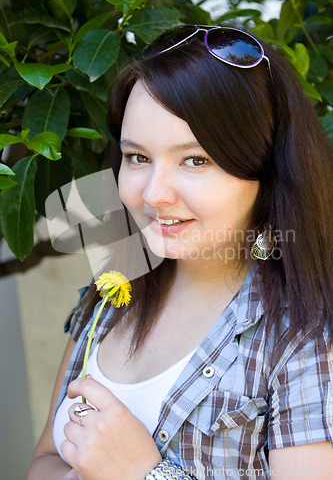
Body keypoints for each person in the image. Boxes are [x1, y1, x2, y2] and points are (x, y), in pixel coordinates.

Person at [27, 25, 333, 480]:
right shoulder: (114, 287)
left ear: (265, 169)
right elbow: (45, 462)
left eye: (195, 160)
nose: (153, 194)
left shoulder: (304, 335)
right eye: (138, 157)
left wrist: (142, 473)